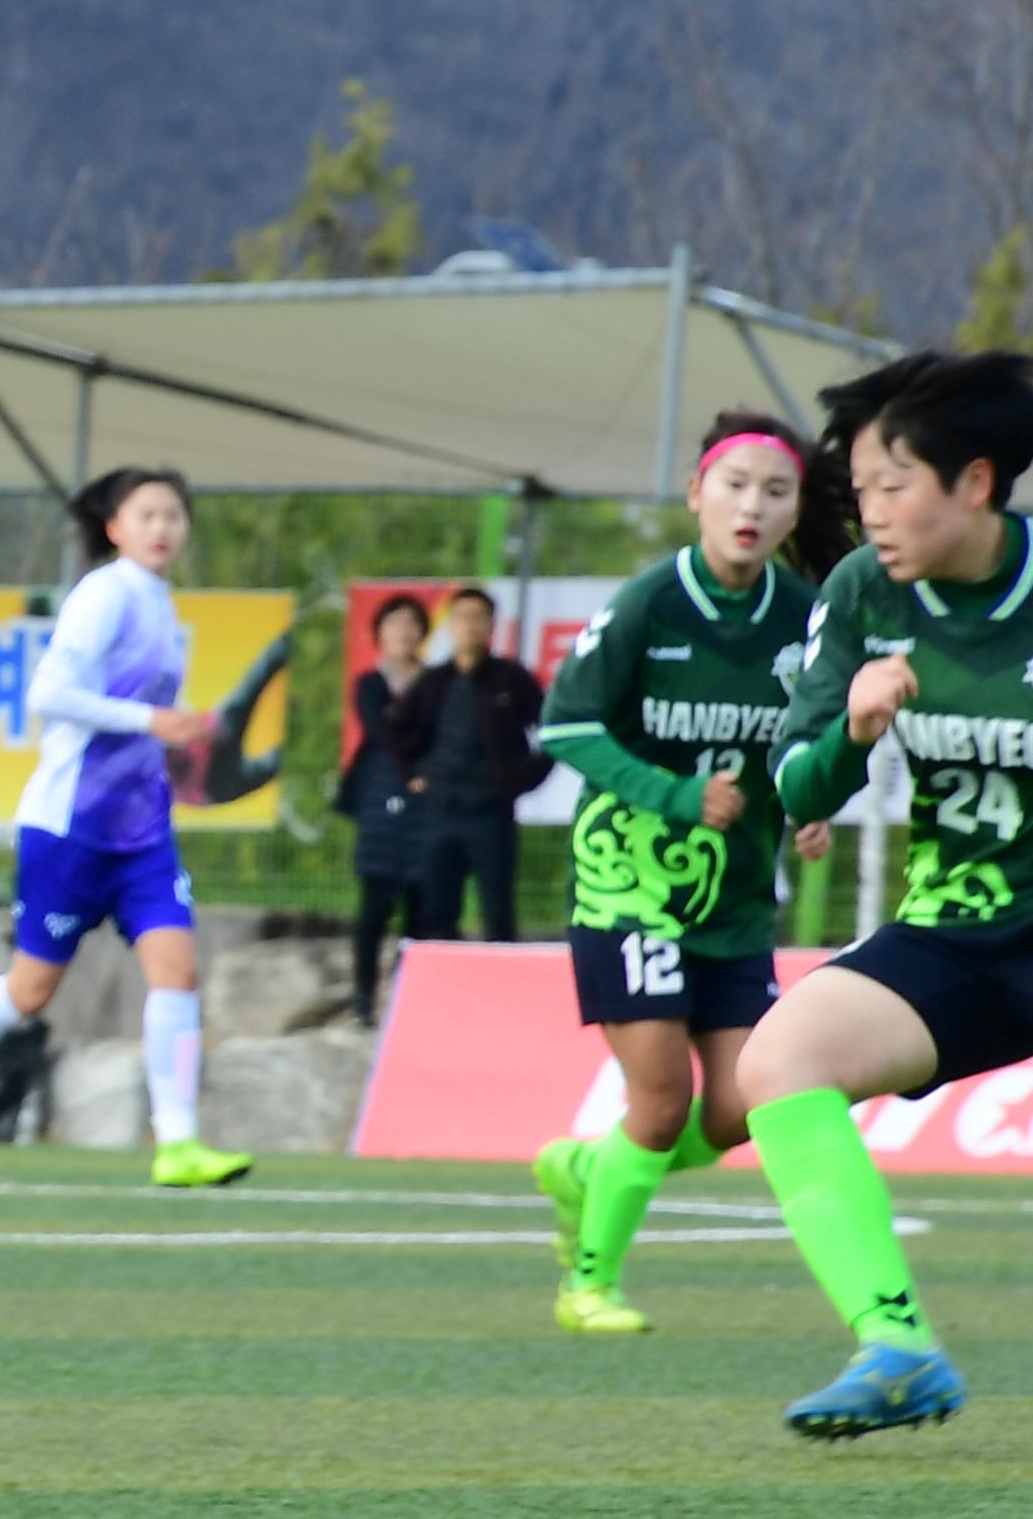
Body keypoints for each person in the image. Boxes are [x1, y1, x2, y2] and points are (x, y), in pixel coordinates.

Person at [735, 348, 1033, 1437]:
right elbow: (796, 776)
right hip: (957, 931)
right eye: (859, 491)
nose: (872, 514)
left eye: (892, 485)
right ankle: (897, 1342)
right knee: (778, 1059)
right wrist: (854, 730)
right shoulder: (865, 591)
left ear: (978, 482)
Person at [522, 412, 840, 1336]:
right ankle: (588, 1286)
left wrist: (811, 798)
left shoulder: (804, 618)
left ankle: (589, 1169)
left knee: (743, 1108)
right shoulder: (645, 604)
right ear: (697, 494)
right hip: (628, 889)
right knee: (660, 1105)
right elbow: (568, 724)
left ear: (793, 514)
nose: (752, 506)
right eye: (734, 486)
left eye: (774, 492)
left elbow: (807, 739)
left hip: (736, 900)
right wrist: (671, 792)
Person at [0, 467, 254, 1188]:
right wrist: (150, 719)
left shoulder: (160, 604)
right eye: (146, 514)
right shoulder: (103, 594)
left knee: (177, 971)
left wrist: (171, 736)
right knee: (30, 992)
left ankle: (177, 1144)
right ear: (114, 527)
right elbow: (49, 694)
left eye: (174, 514)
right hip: (69, 827)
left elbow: (134, 718)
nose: (162, 527)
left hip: (143, 830)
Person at [389, 585, 546, 941]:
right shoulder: (433, 681)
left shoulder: (511, 678)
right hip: (441, 808)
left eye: (479, 617)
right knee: (436, 912)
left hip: (490, 811)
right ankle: (442, 990)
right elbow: (396, 731)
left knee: (497, 911)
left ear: (492, 625)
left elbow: (550, 731)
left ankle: (500, 990)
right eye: (462, 617)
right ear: (450, 625)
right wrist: (411, 775)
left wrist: (521, 779)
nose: (470, 625)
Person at [339, 593, 430, 1023]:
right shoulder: (370, 683)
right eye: (395, 624)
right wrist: (410, 768)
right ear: (379, 634)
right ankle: (363, 999)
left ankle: (408, 1000)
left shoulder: (436, 682)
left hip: (425, 805)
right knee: (374, 906)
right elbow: (381, 731)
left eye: (411, 624)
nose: (404, 633)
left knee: (422, 905)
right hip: (380, 798)